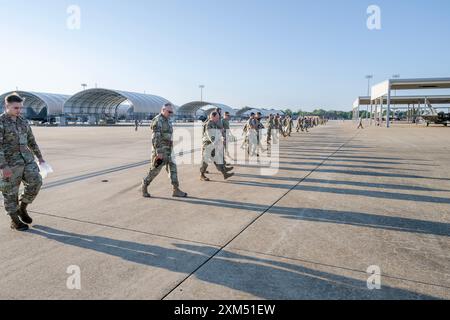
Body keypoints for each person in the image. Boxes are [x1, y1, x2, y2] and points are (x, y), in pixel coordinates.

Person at [1, 93, 45, 231]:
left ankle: (23, 208)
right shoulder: (1, 122)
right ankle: (15, 221)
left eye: (20, 108)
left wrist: (40, 157)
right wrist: (3, 166)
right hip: (9, 163)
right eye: (15, 108)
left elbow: (31, 140)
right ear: (6, 106)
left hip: (27, 159)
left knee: (36, 181)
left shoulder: (22, 121)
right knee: (10, 193)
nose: (19, 110)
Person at [141, 103, 187, 198]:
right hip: (160, 151)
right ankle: (144, 184)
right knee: (155, 170)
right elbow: (155, 137)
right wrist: (159, 152)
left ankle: (176, 189)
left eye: (171, 112)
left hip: (169, 150)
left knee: (173, 168)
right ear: (163, 110)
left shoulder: (168, 120)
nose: (170, 113)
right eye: (169, 111)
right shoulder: (158, 120)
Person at [200, 112, 234, 181]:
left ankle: (225, 174)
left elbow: (216, 133)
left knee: (218, 159)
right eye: (217, 117)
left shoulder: (214, 123)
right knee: (205, 162)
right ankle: (202, 175)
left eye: (218, 118)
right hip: (207, 145)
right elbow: (211, 136)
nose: (218, 119)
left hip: (213, 145)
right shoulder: (208, 124)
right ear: (212, 116)